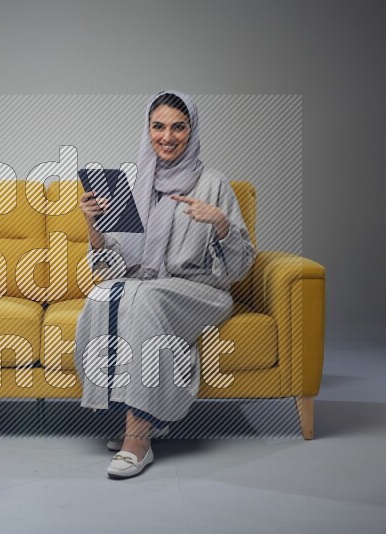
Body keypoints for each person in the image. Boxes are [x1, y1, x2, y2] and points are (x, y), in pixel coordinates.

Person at [74, 91, 256, 479]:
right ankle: (140, 416)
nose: (167, 136)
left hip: (201, 292)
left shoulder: (214, 183)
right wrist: (92, 225)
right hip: (147, 288)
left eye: (178, 127)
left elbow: (238, 269)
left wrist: (220, 223)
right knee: (107, 294)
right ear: (148, 129)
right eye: (158, 127)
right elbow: (112, 266)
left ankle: (137, 440)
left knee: (141, 296)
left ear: (192, 130)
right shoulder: (136, 183)